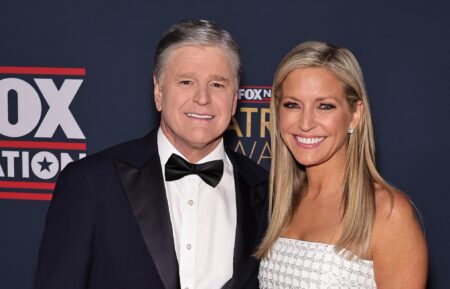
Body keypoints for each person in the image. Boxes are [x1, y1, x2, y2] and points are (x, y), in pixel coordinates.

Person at [34, 19, 268, 289]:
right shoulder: (92, 183)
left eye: (217, 85)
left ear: (235, 97)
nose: (202, 98)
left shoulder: (265, 192)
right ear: (158, 91)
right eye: (186, 82)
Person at [256, 41, 427, 288]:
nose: (305, 123)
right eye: (293, 105)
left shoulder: (387, 212)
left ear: (355, 115)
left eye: (324, 106)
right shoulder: (280, 202)